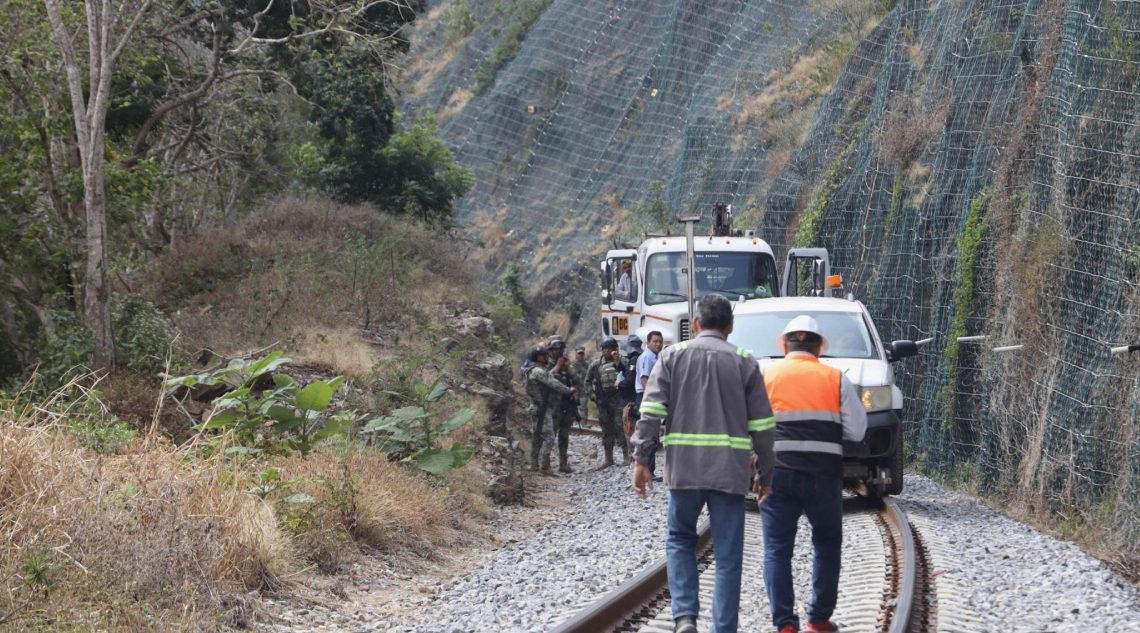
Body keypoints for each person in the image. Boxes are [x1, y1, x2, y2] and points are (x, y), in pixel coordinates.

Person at [630, 295, 776, 633]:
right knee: (727, 555)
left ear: (695, 325)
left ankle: (684, 617)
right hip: (729, 474)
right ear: (730, 326)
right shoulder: (744, 362)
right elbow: (764, 427)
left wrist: (641, 459)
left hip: (685, 470)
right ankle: (723, 628)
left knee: (680, 539)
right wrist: (766, 472)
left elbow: (650, 413)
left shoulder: (671, 357)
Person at [759, 315, 867, 633]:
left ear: (783, 345)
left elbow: (750, 425)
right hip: (824, 475)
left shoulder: (767, 375)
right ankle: (818, 620)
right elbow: (857, 430)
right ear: (820, 347)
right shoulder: (836, 378)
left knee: (777, 548)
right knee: (827, 543)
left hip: (777, 473)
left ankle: (785, 625)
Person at [524, 345, 576, 476]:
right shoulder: (539, 371)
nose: (547, 357)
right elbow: (553, 383)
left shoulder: (534, 370)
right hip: (542, 408)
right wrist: (568, 390)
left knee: (537, 436)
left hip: (537, 407)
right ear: (539, 357)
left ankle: (534, 464)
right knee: (550, 437)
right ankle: (544, 466)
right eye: (544, 355)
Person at [586, 337, 630, 468]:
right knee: (606, 430)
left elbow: (630, 374)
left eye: (609, 349)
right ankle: (608, 458)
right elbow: (587, 381)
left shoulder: (622, 361)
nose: (606, 352)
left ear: (615, 350)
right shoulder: (596, 364)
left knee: (621, 428)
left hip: (619, 400)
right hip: (603, 401)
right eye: (604, 349)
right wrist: (592, 395)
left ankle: (626, 456)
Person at [546, 336, 579, 473]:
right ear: (551, 351)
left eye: (560, 350)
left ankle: (563, 464)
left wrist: (569, 369)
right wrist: (558, 366)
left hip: (566, 406)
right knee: (549, 436)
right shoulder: (546, 364)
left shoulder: (566, 365)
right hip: (552, 406)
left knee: (564, 436)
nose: (558, 352)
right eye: (555, 350)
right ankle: (545, 464)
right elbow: (546, 378)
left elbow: (577, 381)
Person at [635, 330, 664, 480]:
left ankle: (649, 470)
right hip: (647, 396)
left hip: (648, 396)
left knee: (652, 436)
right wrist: (653, 397)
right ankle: (647, 471)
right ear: (648, 342)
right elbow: (645, 379)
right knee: (649, 436)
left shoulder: (654, 357)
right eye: (655, 341)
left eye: (660, 341)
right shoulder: (647, 357)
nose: (658, 344)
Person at [570, 346, 590, 422]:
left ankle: (583, 422)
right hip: (576, 389)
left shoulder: (586, 364)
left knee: (583, 407)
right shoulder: (573, 365)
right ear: (576, 354)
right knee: (577, 407)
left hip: (584, 389)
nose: (581, 355)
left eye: (582, 353)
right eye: (579, 353)